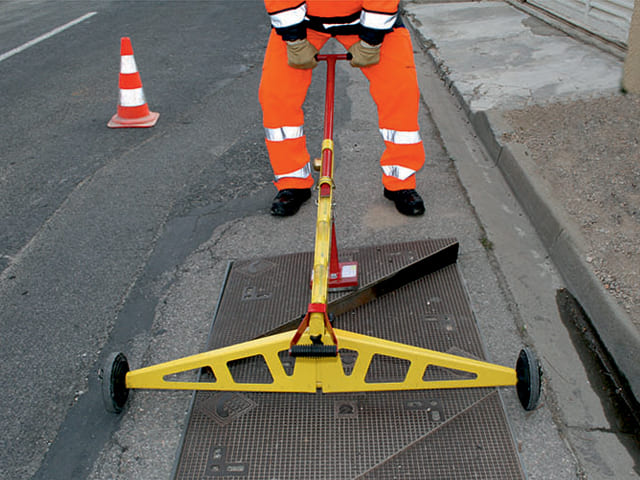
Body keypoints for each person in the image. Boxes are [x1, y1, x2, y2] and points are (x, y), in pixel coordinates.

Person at [260, 0, 425, 217]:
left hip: (368, 19)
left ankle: (400, 181)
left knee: (400, 92)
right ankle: (292, 182)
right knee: (275, 95)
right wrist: (294, 40)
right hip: (304, 22)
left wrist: (371, 42)